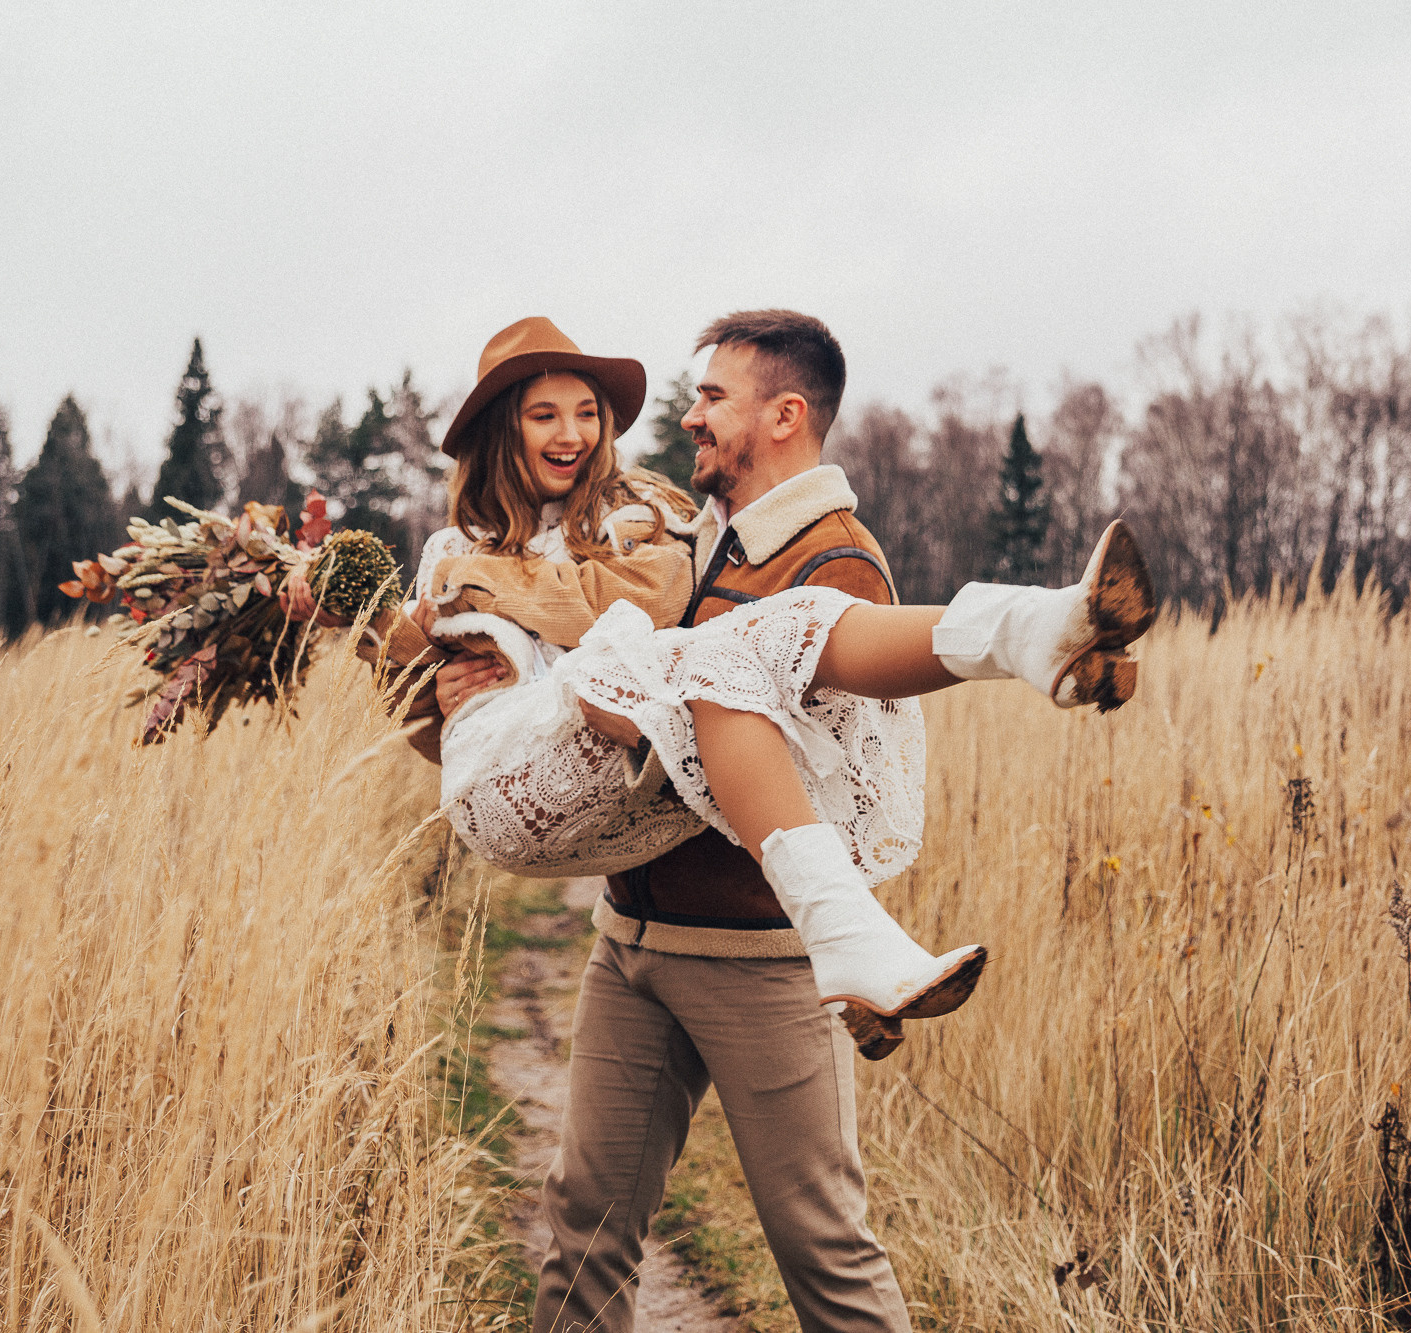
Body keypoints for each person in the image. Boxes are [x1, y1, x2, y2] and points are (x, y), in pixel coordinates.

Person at [408, 311, 1153, 1333]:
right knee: (584, 1223)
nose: (690, 415)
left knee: (822, 1250)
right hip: (633, 942)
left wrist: (631, 705)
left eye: (713, 397)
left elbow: (826, 773)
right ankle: (1035, 634)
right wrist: (459, 690)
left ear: (784, 415)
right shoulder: (698, 541)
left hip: (752, 959)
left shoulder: (835, 561)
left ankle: (1034, 639)